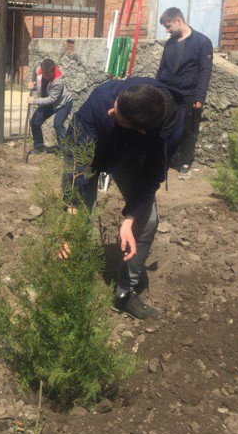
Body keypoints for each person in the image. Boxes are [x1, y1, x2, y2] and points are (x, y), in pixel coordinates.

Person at [60, 77, 184, 319]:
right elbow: (77, 160)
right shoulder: (102, 100)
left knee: (147, 221)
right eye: (115, 105)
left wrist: (130, 218)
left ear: (140, 129)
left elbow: (151, 176)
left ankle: (124, 294)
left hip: (129, 158)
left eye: (118, 117)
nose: (111, 112)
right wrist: (71, 209)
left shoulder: (168, 131)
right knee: (80, 221)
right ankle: (77, 286)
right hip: (92, 152)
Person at [155, 8, 213, 179]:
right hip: (168, 91)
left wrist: (200, 97)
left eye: (168, 26)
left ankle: (186, 162)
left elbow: (205, 71)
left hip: (188, 93)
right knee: (164, 126)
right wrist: (157, 88)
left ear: (178, 20)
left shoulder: (202, 42)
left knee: (189, 128)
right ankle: (164, 159)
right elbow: (162, 67)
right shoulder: (170, 43)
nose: (167, 30)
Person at [27, 58, 73, 153]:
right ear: (42, 70)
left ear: (53, 71)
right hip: (49, 102)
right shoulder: (38, 70)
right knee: (35, 122)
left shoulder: (58, 81)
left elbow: (52, 99)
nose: (47, 77)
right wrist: (33, 86)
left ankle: (66, 150)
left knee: (58, 125)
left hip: (63, 103)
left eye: (49, 75)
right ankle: (39, 147)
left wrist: (34, 101)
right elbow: (40, 85)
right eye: (45, 75)